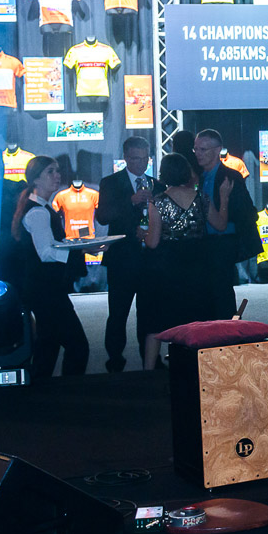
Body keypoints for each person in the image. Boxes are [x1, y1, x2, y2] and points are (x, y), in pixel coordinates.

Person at [12, 156, 90, 378]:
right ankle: (67, 392)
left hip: (43, 289)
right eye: (50, 172)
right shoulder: (38, 212)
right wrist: (76, 252)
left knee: (48, 347)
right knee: (77, 346)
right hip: (46, 291)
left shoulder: (42, 208)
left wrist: (76, 246)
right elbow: (46, 253)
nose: (57, 176)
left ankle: (42, 392)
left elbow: (49, 247)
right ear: (36, 179)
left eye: (57, 171)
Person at [140, 153, 212, 370]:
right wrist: (225, 199)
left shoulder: (157, 201)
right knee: (195, 318)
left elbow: (153, 242)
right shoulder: (201, 198)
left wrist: (142, 235)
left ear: (164, 173)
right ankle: (199, 369)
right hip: (196, 265)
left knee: (156, 322)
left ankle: (148, 373)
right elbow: (219, 224)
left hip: (166, 266)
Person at [96, 137, 155, 372]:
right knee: (118, 313)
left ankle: (149, 361)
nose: (140, 163)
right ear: (125, 158)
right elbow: (103, 217)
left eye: (144, 158)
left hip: (149, 261)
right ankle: (114, 361)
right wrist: (130, 201)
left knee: (148, 313)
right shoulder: (110, 183)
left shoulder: (156, 184)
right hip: (121, 260)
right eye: (135, 158)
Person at [194, 128, 259, 319]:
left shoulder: (231, 176)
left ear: (217, 150)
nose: (198, 154)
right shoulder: (196, 176)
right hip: (201, 243)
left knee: (222, 293)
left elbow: (245, 211)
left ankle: (227, 332)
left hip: (223, 242)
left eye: (203, 149)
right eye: (196, 149)